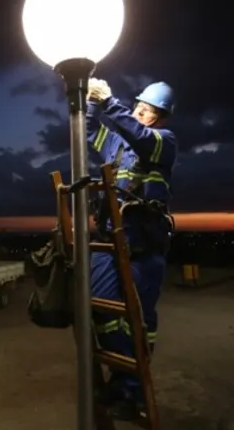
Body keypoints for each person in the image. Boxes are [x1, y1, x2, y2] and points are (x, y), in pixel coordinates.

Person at [85, 79, 178, 420]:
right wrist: (93, 100)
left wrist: (111, 102)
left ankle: (132, 389)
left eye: (147, 108)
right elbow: (89, 131)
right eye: (138, 104)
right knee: (101, 309)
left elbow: (141, 139)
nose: (139, 109)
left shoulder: (163, 142)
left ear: (160, 116)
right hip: (110, 240)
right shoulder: (118, 142)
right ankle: (123, 380)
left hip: (146, 245)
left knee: (138, 319)